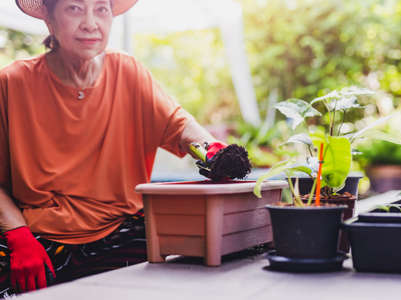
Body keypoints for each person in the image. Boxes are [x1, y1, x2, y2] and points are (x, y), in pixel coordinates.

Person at [0, 0, 230, 297]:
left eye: (101, 9)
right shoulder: (12, 83)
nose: (90, 23)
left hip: (123, 230)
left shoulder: (128, 71)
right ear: (48, 17)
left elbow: (180, 126)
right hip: (39, 235)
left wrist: (213, 152)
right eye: (74, 8)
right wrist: (18, 236)